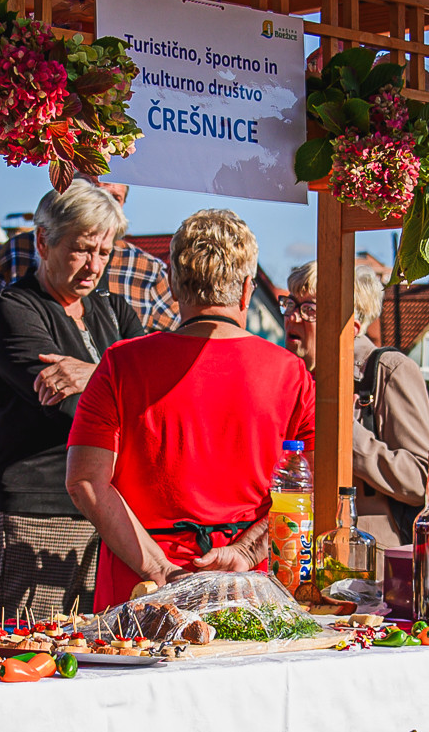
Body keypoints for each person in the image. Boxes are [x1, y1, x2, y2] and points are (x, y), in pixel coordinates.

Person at [65, 209, 314, 608]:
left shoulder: (121, 363)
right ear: (248, 290)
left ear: (174, 287)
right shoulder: (291, 373)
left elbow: (85, 482)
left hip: (141, 589)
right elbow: (310, 489)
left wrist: (160, 570)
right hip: (246, 587)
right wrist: (248, 551)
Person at [0, 183, 135, 621]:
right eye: (83, 250)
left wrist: (92, 374)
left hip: (113, 507)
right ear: (43, 241)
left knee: (110, 655)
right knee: (34, 650)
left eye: (105, 253)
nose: (94, 266)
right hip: (39, 510)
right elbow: (68, 406)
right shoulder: (12, 310)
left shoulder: (115, 311)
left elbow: (153, 393)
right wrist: (117, 375)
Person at [280, 255, 429, 548]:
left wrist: (348, 435)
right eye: (290, 304)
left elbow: (421, 481)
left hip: (370, 566)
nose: (292, 317)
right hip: (297, 551)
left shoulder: (389, 370)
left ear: (350, 325)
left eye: (308, 309)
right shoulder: (292, 379)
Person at [0, 170, 172, 344]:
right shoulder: (17, 253)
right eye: (93, 192)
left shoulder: (147, 269)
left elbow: (175, 346)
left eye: (114, 198)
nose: (101, 206)